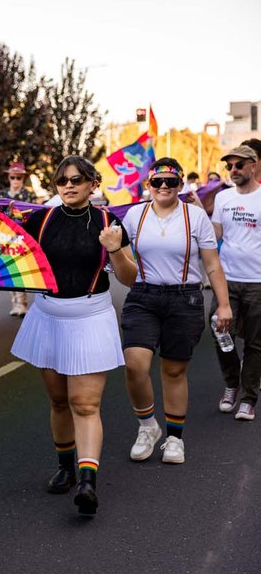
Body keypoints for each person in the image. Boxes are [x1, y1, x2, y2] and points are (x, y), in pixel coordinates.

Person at [10, 155, 137, 516]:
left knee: (85, 403)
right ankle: (65, 466)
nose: (68, 185)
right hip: (48, 316)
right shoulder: (40, 219)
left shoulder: (109, 223)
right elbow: (13, 260)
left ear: (92, 184)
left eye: (77, 179)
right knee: (59, 401)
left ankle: (87, 482)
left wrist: (114, 249)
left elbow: (128, 278)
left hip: (91, 316)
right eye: (62, 180)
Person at [120, 158, 231, 465]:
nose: (164, 187)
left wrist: (223, 304)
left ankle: (174, 439)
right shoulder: (134, 215)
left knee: (174, 370)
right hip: (143, 295)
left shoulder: (194, 216)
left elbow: (211, 263)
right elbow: (124, 265)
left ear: (181, 185)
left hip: (185, 298)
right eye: (158, 182)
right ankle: (147, 426)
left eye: (171, 181)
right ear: (148, 185)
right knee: (135, 365)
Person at [195, 145, 261, 420]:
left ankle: (248, 397)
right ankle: (232, 382)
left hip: (258, 281)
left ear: (253, 165)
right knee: (220, 330)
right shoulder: (223, 199)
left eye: (239, 165)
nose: (233, 170)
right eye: (230, 166)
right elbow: (216, 233)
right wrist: (200, 215)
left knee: (257, 343)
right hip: (227, 278)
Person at [0, 163, 39, 316]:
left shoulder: (29, 195)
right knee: (8, 271)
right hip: (4, 237)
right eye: (12, 177)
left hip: (22, 237)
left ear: (23, 179)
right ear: (8, 177)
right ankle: (15, 303)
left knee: (20, 271)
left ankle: (22, 304)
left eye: (18, 177)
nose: (15, 180)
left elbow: (34, 215)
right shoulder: (1, 195)